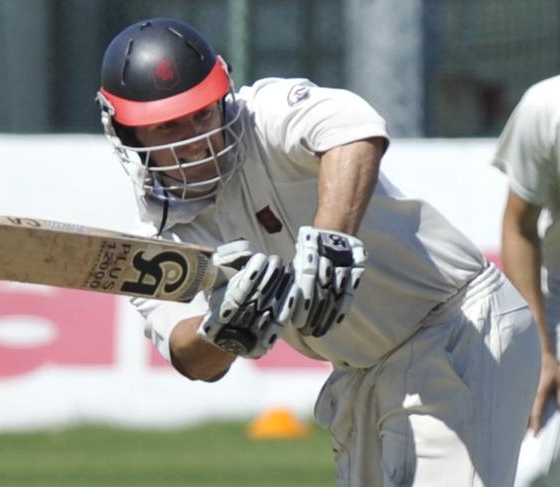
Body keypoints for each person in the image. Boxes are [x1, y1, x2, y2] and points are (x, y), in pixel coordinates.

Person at [96, 17, 540, 486]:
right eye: (168, 128)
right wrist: (220, 333)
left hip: (457, 330)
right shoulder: (155, 237)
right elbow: (186, 354)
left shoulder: (263, 113)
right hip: (361, 375)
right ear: (126, 133)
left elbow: (354, 130)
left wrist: (330, 244)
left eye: (203, 114)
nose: (197, 140)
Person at [492, 75, 560, 487]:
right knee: (531, 471)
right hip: (558, 300)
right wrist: (538, 353)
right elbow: (519, 226)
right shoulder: (547, 105)